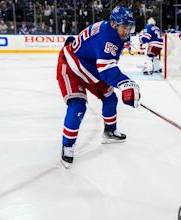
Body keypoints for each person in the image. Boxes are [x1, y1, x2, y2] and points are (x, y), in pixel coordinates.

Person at [56, 6, 140, 168]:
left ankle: (109, 132)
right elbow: (107, 70)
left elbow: (104, 64)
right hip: (71, 66)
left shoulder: (111, 30)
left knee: (110, 98)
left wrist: (125, 84)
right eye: (124, 26)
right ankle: (68, 145)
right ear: (114, 23)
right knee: (78, 106)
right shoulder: (108, 37)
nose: (127, 31)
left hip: (90, 67)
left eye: (129, 27)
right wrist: (126, 84)